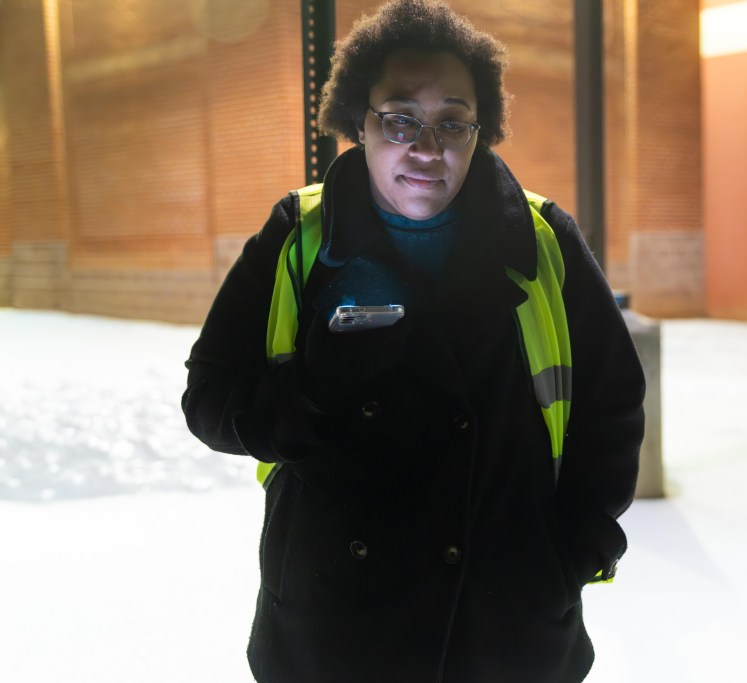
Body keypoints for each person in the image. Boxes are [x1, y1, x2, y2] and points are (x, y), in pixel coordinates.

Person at [181, 1, 645, 681]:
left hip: (503, 616)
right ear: (358, 124)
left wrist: (573, 551)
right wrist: (302, 411)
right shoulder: (297, 236)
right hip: (336, 614)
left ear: (479, 131)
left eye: (452, 122)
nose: (427, 148)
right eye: (399, 119)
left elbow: (613, 405)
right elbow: (210, 395)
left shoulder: (542, 239)